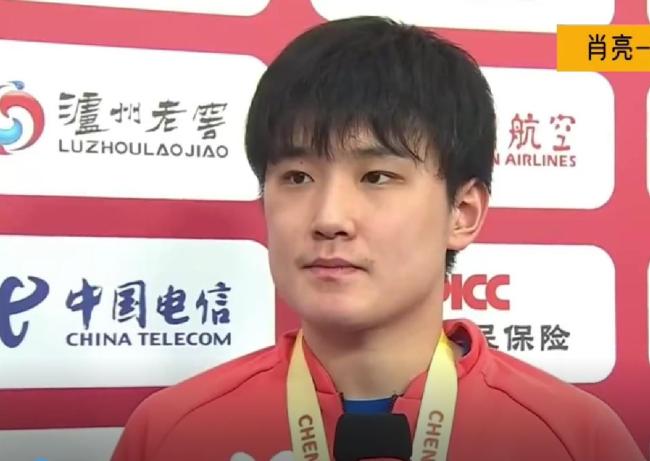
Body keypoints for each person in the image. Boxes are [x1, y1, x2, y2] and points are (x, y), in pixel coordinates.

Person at [111, 16, 646, 461]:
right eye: (297, 177)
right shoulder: (171, 433)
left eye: (376, 177)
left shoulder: (576, 438)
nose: (329, 217)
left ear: (462, 213)